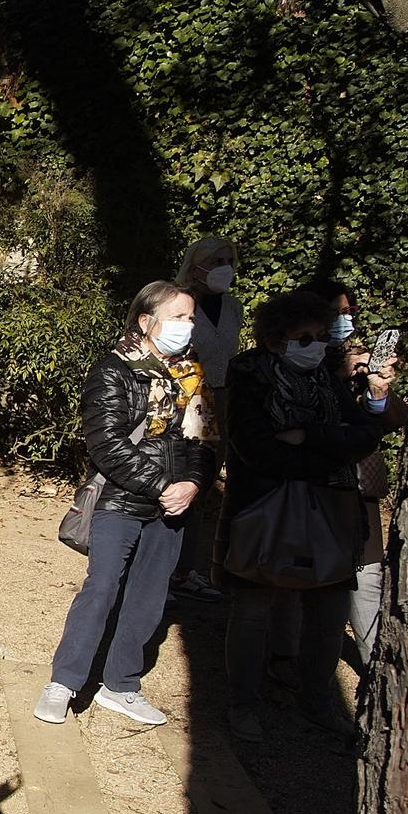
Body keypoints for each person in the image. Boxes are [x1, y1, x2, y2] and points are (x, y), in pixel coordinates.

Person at [34, 281, 218, 727]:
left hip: (174, 506)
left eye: (190, 318)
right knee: (101, 589)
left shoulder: (193, 376)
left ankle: (121, 685)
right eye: (177, 317)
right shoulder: (113, 369)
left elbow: (205, 440)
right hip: (121, 499)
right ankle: (64, 682)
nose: (186, 326)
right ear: (145, 320)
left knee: (149, 596)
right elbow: (106, 442)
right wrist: (160, 485)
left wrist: (192, 484)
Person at [217, 291, 386, 742]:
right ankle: (244, 704)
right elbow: (256, 450)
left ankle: (317, 702)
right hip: (264, 510)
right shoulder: (250, 377)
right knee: (253, 611)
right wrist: (328, 453)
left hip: (332, 511)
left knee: (328, 616)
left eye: (319, 337)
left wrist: (308, 434)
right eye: (302, 338)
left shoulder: (327, 380)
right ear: (275, 341)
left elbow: (366, 434)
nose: (314, 345)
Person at [325, 286, 408, 674]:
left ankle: (377, 672)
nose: (347, 319)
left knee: (367, 582)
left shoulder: (359, 368)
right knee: (317, 599)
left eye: (350, 310)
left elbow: (393, 419)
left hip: (360, 504)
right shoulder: (297, 365)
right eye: (338, 312)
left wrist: (376, 390)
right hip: (317, 499)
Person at [170, 235, 240, 603]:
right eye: (215, 261)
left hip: (222, 399)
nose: (223, 268)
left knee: (203, 483)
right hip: (184, 399)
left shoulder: (233, 307)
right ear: (195, 264)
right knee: (173, 478)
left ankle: (183, 570)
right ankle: (158, 569)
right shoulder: (178, 303)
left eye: (228, 259)